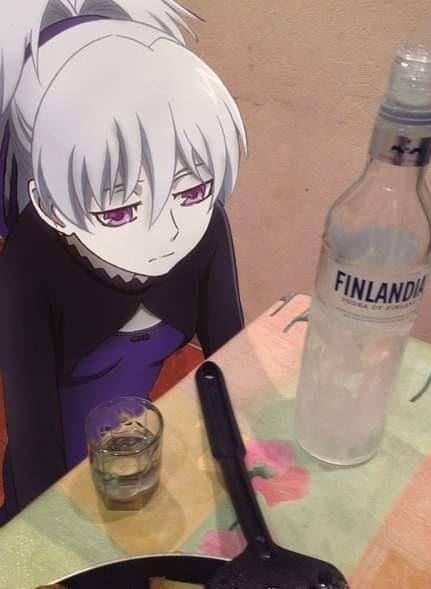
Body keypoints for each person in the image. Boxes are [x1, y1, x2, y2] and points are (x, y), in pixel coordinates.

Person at [0, 0, 247, 523]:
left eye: (193, 189)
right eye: (118, 211)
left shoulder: (206, 229)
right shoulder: (28, 263)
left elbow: (231, 362)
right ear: (50, 206)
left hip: (136, 458)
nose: (168, 230)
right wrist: (51, 532)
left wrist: (239, 471)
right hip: (50, 482)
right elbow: (31, 433)